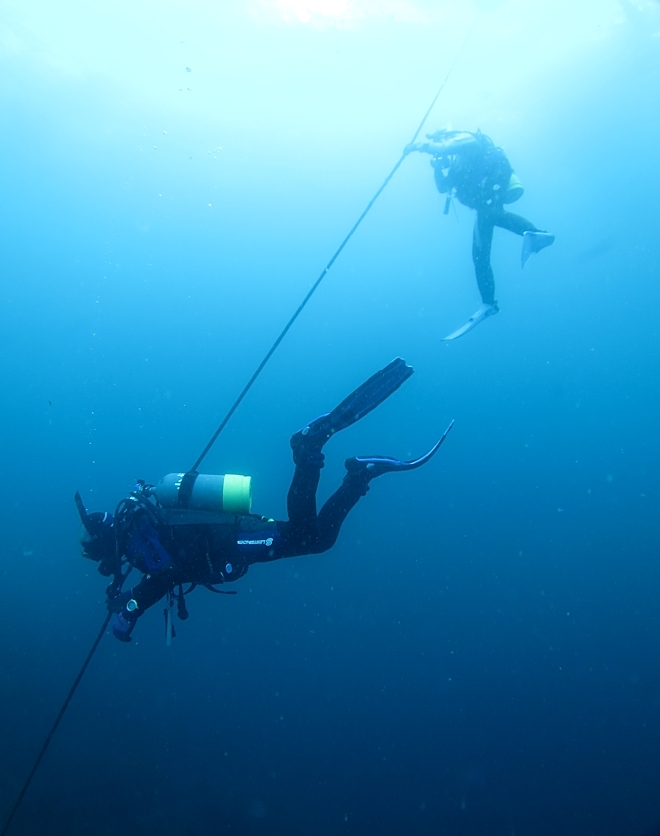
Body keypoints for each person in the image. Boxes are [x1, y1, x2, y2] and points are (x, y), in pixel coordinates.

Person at [76, 358, 454, 642]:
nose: (108, 566)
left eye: (101, 559)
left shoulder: (136, 539)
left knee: (307, 538)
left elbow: (163, 577)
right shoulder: (139, 529)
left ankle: (309, 448)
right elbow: (165, 571)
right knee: (318, 540)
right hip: (232, 541)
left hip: (232, 542)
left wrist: (128, 611)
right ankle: (359, 475)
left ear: (105, 544)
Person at [405, 129, 555, 340]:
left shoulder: (467, 139)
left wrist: (418, 147)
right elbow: (442, 188)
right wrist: (438, 168)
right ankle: (488, 303)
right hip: (485, 204)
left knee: (489, 218)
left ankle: (538, 235)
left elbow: (445, 146)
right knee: (479, 255)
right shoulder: (458, 162)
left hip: (493, 187)